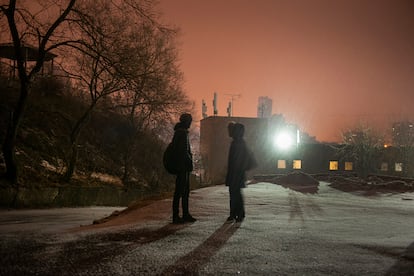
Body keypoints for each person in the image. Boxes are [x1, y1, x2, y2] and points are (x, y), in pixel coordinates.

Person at [225, 122, 256, 223]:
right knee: (235, 194)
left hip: (236, 174)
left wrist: (234, 173)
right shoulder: (238, 142)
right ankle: (236, 214)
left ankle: (238, 214)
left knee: (235, 194)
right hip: (236, 174)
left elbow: (236, 161)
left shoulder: (237, 143)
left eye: (230, 130)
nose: (228, 132)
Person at [171, 113, 197, 224]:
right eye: (189, 121)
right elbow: (183, 151)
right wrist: (190, 161)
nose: (190, 124)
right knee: (181, 192)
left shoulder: (179, 132)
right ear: (186, 122)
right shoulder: (182, 134)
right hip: (183, 167)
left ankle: (183, 214)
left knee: (183, 192)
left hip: (181, 166)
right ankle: (178, 215)